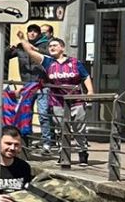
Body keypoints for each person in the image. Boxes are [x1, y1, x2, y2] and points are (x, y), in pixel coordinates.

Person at [39, 35, 93, 169]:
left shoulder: (75, 62)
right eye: (50, 46)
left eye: (54, 45)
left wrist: (90, 91)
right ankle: (63, 154)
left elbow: (85, 76)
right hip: (57, 101)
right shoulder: (48, 63)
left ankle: (83, 153)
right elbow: (32, 54)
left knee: (79, 128)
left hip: (77, 100)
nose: (51, 48)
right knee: (60, 129)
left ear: (62, 48)